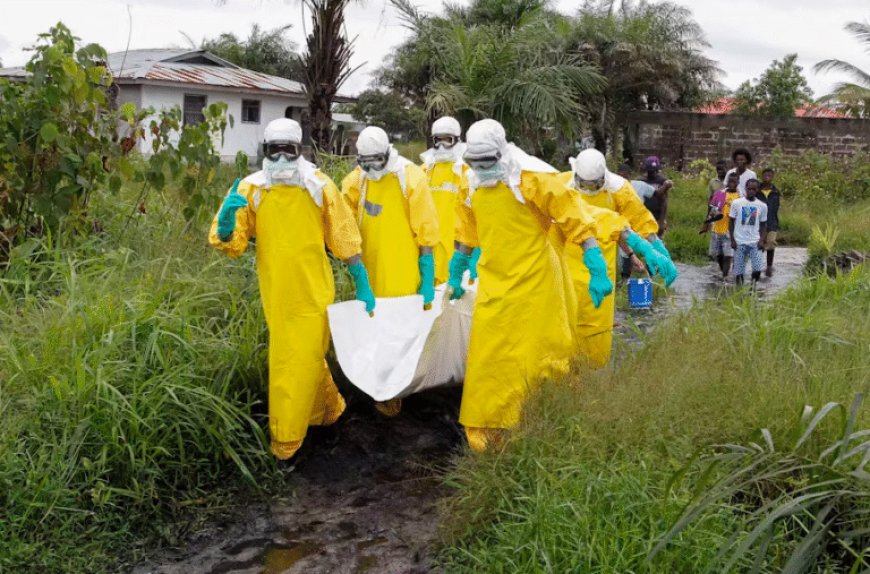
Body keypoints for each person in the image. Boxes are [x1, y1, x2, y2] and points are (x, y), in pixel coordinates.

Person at [208, 118, 376, 461]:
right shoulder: (251, 189)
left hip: (315, 290)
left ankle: (287, 440)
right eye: (275, 150)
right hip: (277, 292)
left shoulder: (319, 185)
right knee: (304, 356)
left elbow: (342, 234)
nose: (283, 158)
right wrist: (226, 227)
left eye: (290, 150)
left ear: (300, 151)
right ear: (266, 151)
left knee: (293, 359)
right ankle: (328, 411)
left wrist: (361, 279)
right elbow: (234, 243)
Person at [446, 119, 612, 453]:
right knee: (489, 355)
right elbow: (467, 230)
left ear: (501, 152)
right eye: (473, 163)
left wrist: (595, 264)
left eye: (487, 162)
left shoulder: (533, 178)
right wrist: (457, 268)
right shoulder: (471, 183)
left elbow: (574, 218)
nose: (481, 169)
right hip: (495, 280)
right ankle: (488, 426)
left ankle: (541, 418)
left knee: (540, 354)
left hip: (537, 280)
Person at [341, 126, 440, 416]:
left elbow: (427, 229)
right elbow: (342, 225)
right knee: (373, 330)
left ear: (388, 154)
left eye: (377, 162)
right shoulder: (355, 182)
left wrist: (427, 271)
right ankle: (380, 389)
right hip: (368, 272)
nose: (372, 169)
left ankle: (400, 388)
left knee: (402, 332)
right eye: (365, 163)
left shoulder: (410, 177)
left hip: (403, 271)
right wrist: (356, 273)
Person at [563, 148, 678, 367]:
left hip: (602, 263)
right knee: (565, 319)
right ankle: (564, 372)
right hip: (566, 261)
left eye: (593, 185)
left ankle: (590, 371)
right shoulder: (562, 186)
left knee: (597, 323)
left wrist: (655, 245)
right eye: (584, 185)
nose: (588, 189)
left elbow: (639, 219)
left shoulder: (619, 190)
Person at [419, 116, 472, 284]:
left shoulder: (467, 171)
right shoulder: (424, 171)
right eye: (438, 140)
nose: (442, 146)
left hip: (457, 248)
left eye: (447, 140)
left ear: (457, 140)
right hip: (430, 248)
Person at [729, 179, 768, 287]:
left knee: (758, 269)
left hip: (754, 242)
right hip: (739, 242)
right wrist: (732, 240)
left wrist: (762, 240)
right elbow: (731, 222)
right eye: (749, 189)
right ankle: (739, 292)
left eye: (754, 189)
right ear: (745, 188)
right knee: (739, 271)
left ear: (757, 190)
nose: (751, 191)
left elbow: (764, 225)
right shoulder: (736, 203)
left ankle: (753, 287)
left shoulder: (762, 206)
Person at [709, 172, 740, 278]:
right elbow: (711, 209)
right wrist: (714, 213)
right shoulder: (719, 194)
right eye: (730, 181)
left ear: (738, 182)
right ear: (727, 182)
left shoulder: (741, 197)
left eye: (734, 181)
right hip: (717, 229)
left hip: (731, 230)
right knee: (718, 255)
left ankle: (725, 278)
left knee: (728, 255)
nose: (732, 183)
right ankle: (724, 273)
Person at [640, 156, 672, 237]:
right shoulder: (641, 181)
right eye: (650, 171)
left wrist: (661, 220)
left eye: (654, 171)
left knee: (658, 240)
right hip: (644, 217)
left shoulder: (662, 181)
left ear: (657, 170)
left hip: (657, 216)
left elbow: (664, 202)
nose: (652, 173)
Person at [757, 168, 781, 277]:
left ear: (772, 177)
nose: (767, 177)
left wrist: (775, 222)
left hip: (772, 222)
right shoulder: (757, 191)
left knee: (771, 243)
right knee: (759, 244)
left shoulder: (776, 192)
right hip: (758, 223)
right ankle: (757, 266)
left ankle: (769, 266)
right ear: (762, 176)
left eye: (769, 175)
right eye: (765, 175)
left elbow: (776, 208)